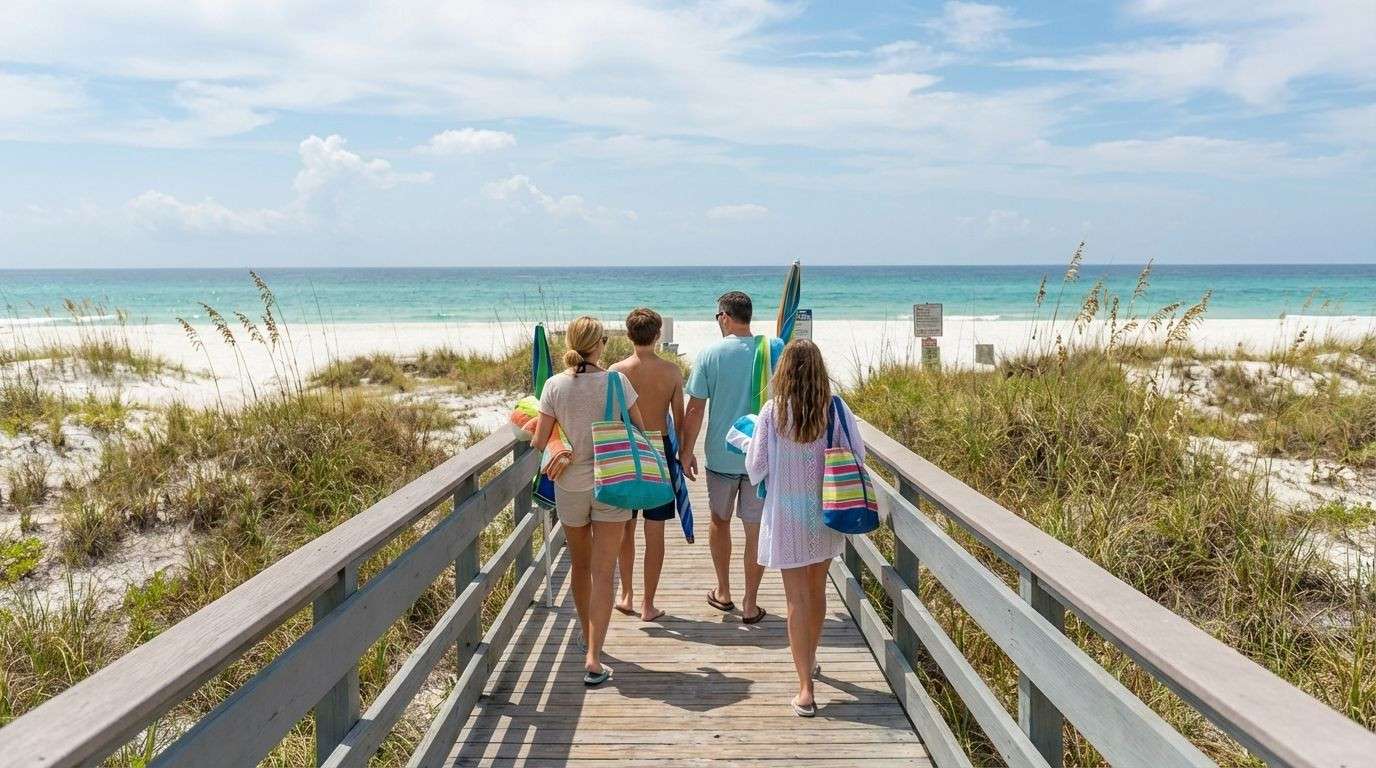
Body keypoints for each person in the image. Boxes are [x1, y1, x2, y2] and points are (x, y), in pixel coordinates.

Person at [744, 338, 859, 717]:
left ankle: (805, 687)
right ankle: (810, 661)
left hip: (787, 516)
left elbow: (756, 467)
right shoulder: (836, 408)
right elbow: (858, 456)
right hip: (825, 514)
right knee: (817, 591)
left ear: (784, 372)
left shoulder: (772, 413)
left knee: (796, 600)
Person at [532, 315, 648, 686]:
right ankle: (595, 656)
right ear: (600, 345)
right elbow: (640, 432)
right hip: (612, 485)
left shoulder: (554, 386)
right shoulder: (618, 382)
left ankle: (586, 637)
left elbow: (540, 441)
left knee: (580, 568)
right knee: (603, 571)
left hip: (569, 486)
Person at [680, 291, 782, 624]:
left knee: (719, 521)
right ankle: (750, 604)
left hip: (722, 457)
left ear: (724, 316)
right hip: (763, 456)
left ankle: (723, 592)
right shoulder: (774, 349)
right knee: (755, 529)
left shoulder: (710, 354)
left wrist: (685, 451)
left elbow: (695, 409)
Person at [609, 307, 685, 622]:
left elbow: (610, 417)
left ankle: (625, 594)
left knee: (626, 528)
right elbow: (679, 422)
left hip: (627, 449)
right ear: (657, 335)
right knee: (655, 532)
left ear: (629, 335)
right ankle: (647, 604)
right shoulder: (671, 372)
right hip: (659, 449)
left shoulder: (615, 371)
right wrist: (684, 456)